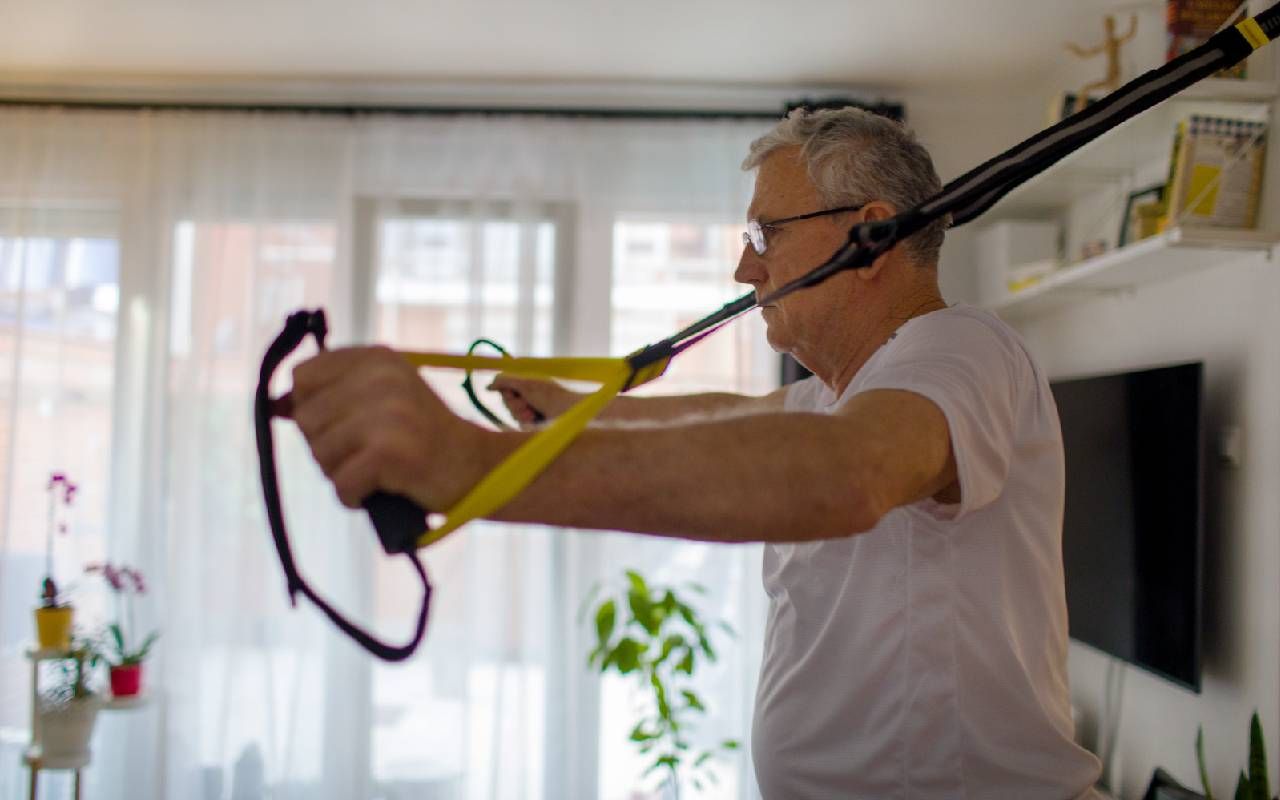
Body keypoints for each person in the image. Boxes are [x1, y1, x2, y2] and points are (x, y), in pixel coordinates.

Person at [288, 107, 1102, 798]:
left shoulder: (959, 350)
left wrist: (473, 466)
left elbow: (846, 473)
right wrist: (575, 412)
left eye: (764, 233)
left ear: (870, 237)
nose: (744, 266)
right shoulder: (847, 388)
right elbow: (728, 415)